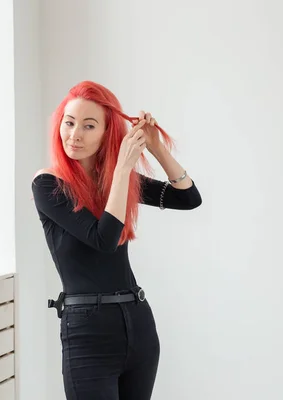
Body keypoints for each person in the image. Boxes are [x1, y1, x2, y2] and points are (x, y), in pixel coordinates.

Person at [31, 81, 202, 400]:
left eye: (88, 125)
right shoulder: (48, 185)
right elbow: (103, 239)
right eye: (69, 123)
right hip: (87, 332)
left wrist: (156, 148)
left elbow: (189, 198)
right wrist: (123, 168)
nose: (74, 134)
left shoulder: (117, 180)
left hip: (137, 324)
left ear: (107, 133)